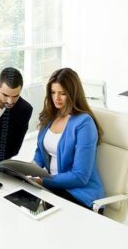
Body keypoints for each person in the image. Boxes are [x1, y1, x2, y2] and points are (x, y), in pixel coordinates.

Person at [30, 67, 105, 209]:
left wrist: (44, 181)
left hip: (79, 194)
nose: (56, 98)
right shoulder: (50, 117)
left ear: (73, 94)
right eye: (53, 92)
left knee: (40, 215)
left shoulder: (84, 123)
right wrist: (25, 171)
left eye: (62, 93)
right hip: (53, 188)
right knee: (16, 197)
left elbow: (80, 176)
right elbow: (40, 155)